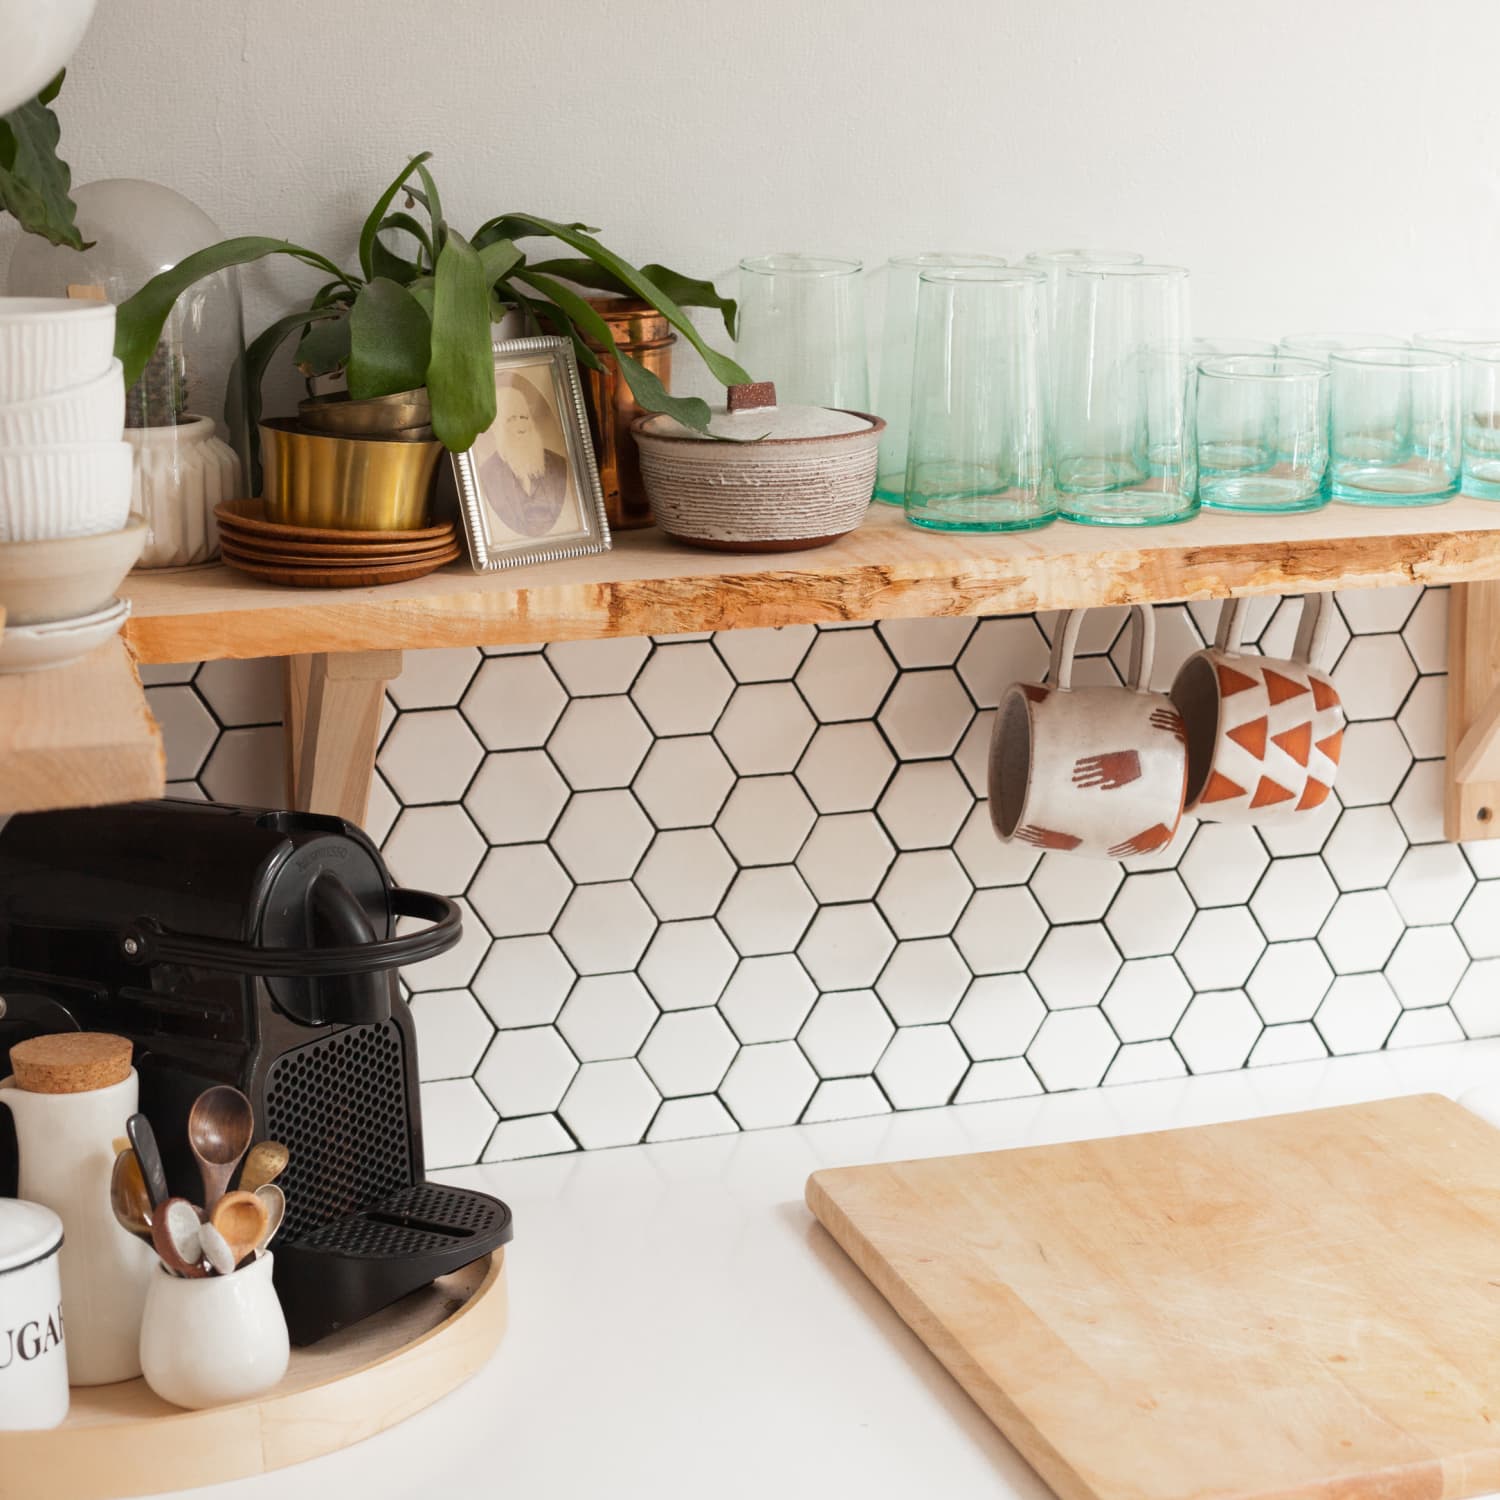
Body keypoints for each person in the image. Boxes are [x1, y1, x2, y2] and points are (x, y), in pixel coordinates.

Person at [478, 375, 571, 536]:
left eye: (524, 417)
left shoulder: (558, 463)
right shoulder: (486, 474)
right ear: (496, 427)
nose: (520, 427)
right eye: (511, 419)